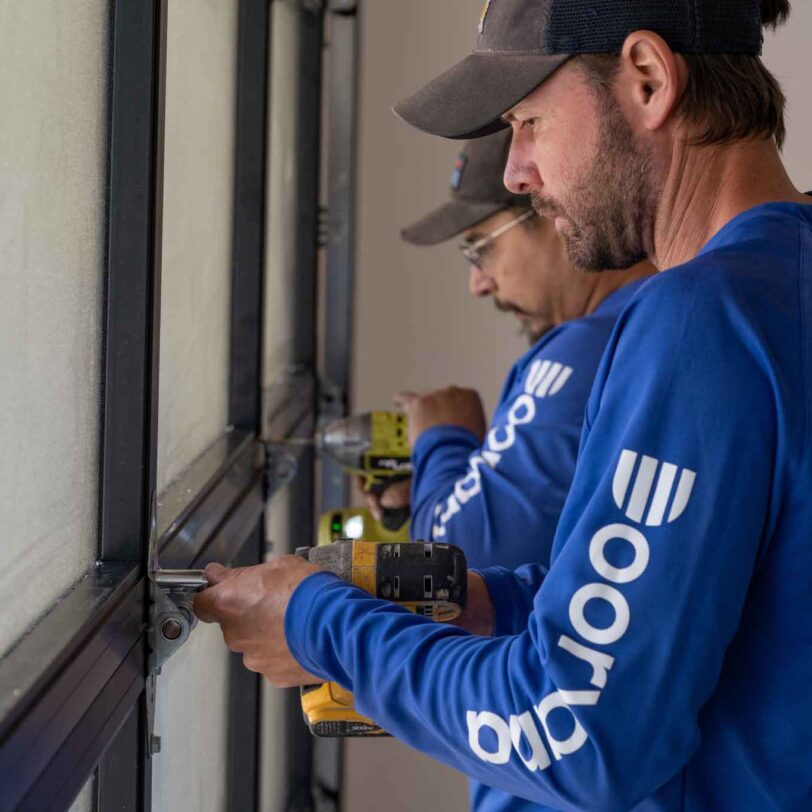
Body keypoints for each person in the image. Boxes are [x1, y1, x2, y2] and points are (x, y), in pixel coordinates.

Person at [195, 1, 812, 809]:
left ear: (649, 79)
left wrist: (320, 626)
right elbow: (725, 611)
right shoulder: (778, 287)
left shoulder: (701, 321)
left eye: (528, 122)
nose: (516, 170)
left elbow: (575, 733)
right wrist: (486, 603)